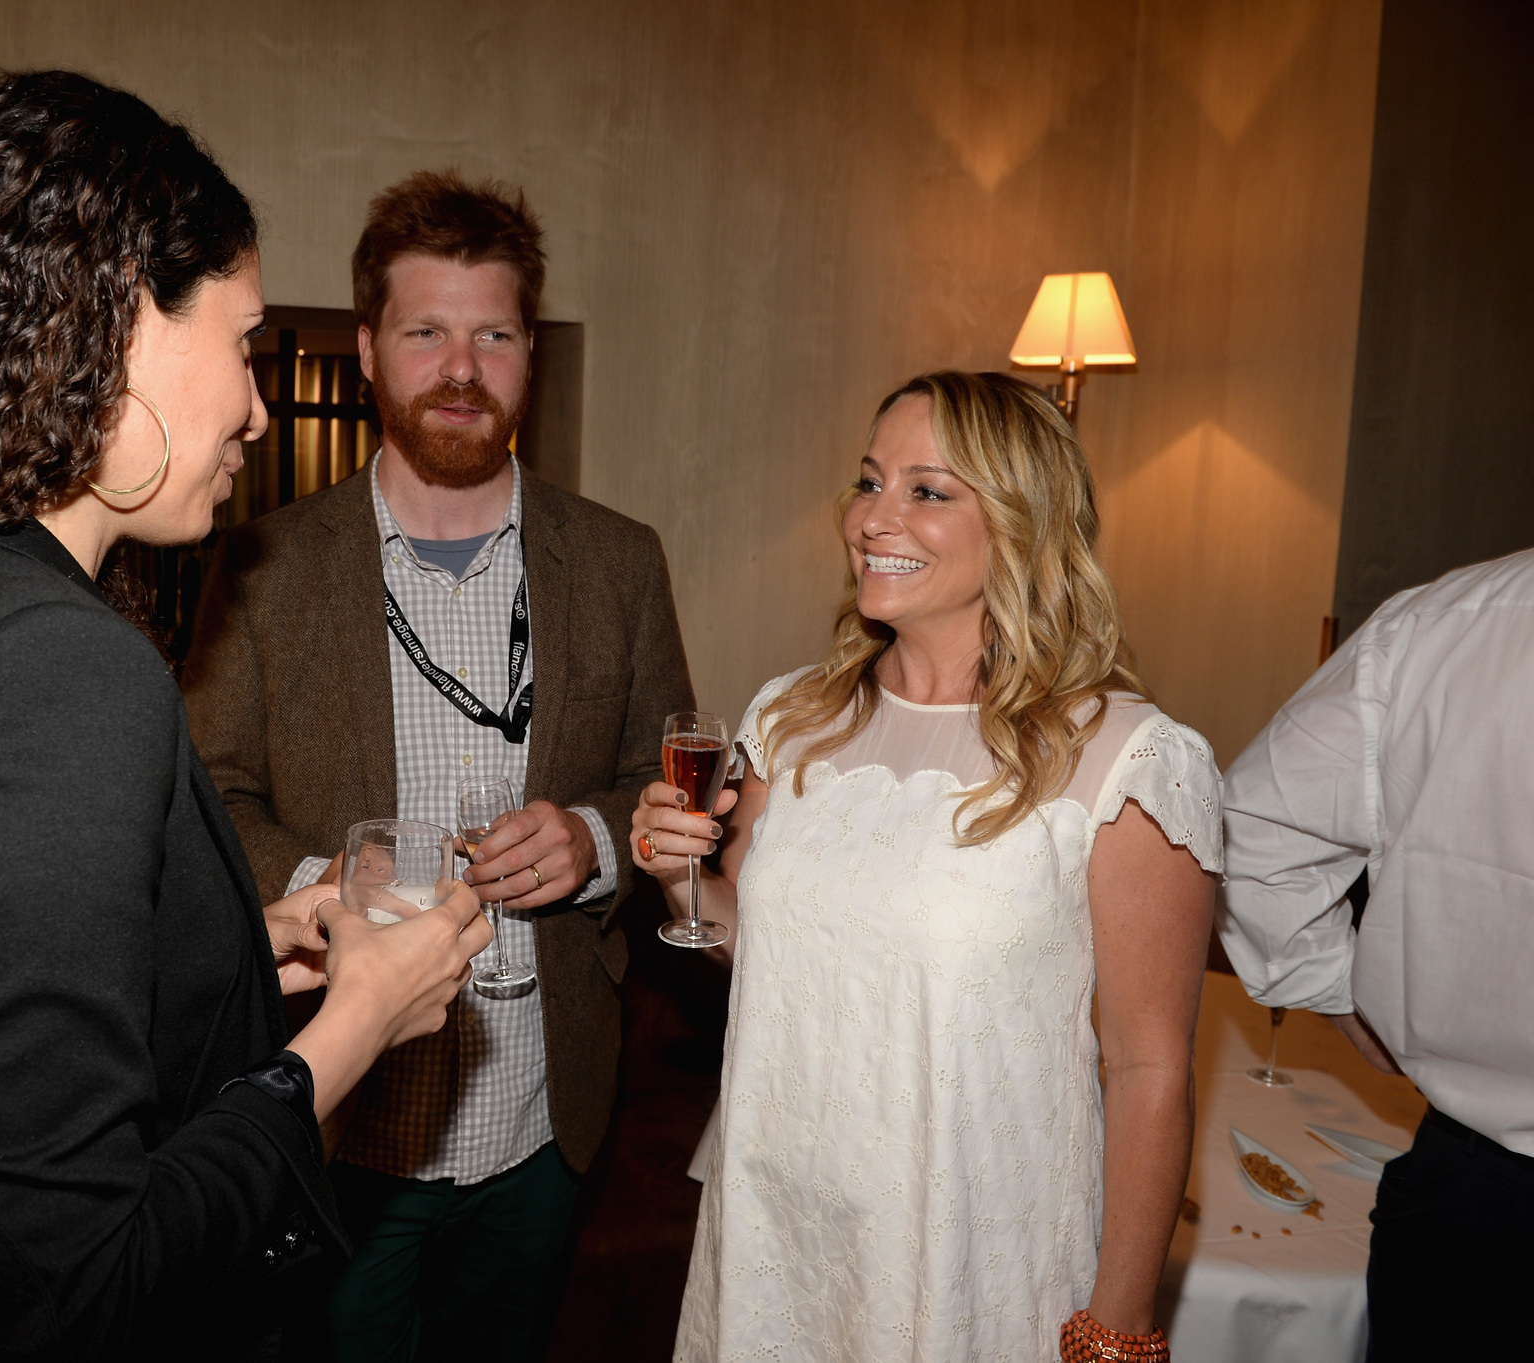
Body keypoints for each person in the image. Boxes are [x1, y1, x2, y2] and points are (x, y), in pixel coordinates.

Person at [0, 72, 491, 1362]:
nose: (258, 407)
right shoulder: (52, 666)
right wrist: (356, 1023)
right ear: (121, 322)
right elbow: (61, 1294)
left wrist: (241, 955)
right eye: (243, 344)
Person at [181, 169, 693, 1362]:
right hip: (340, 1115)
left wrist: (593, 839)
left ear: (528, 354)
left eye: (493, 334)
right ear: (366, 349)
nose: (460, 367)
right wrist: (341, 892)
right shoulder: (261, 564)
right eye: (425, 331)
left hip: (540, 1117)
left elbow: (660, 777)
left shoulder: (619, 563)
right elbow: (208, 798)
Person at [633, 371, 1221, 1362]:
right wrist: (674, 873)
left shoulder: (1130, 760)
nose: (874, 519)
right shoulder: (792, 717)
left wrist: (1114, 1331)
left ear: (1022, 524)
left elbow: (1148, 1068)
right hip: (783, 1226)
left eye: (927, 491)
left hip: (972, 1252)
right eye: (869, 483)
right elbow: (756, 943)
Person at [1218, 548, 1534, 1362]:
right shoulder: (1446, 620)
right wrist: (1339, 991)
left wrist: (1337, 992)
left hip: (1475, 1204)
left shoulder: (1446, 622)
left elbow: (1253, 831)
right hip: (1477, 1195)